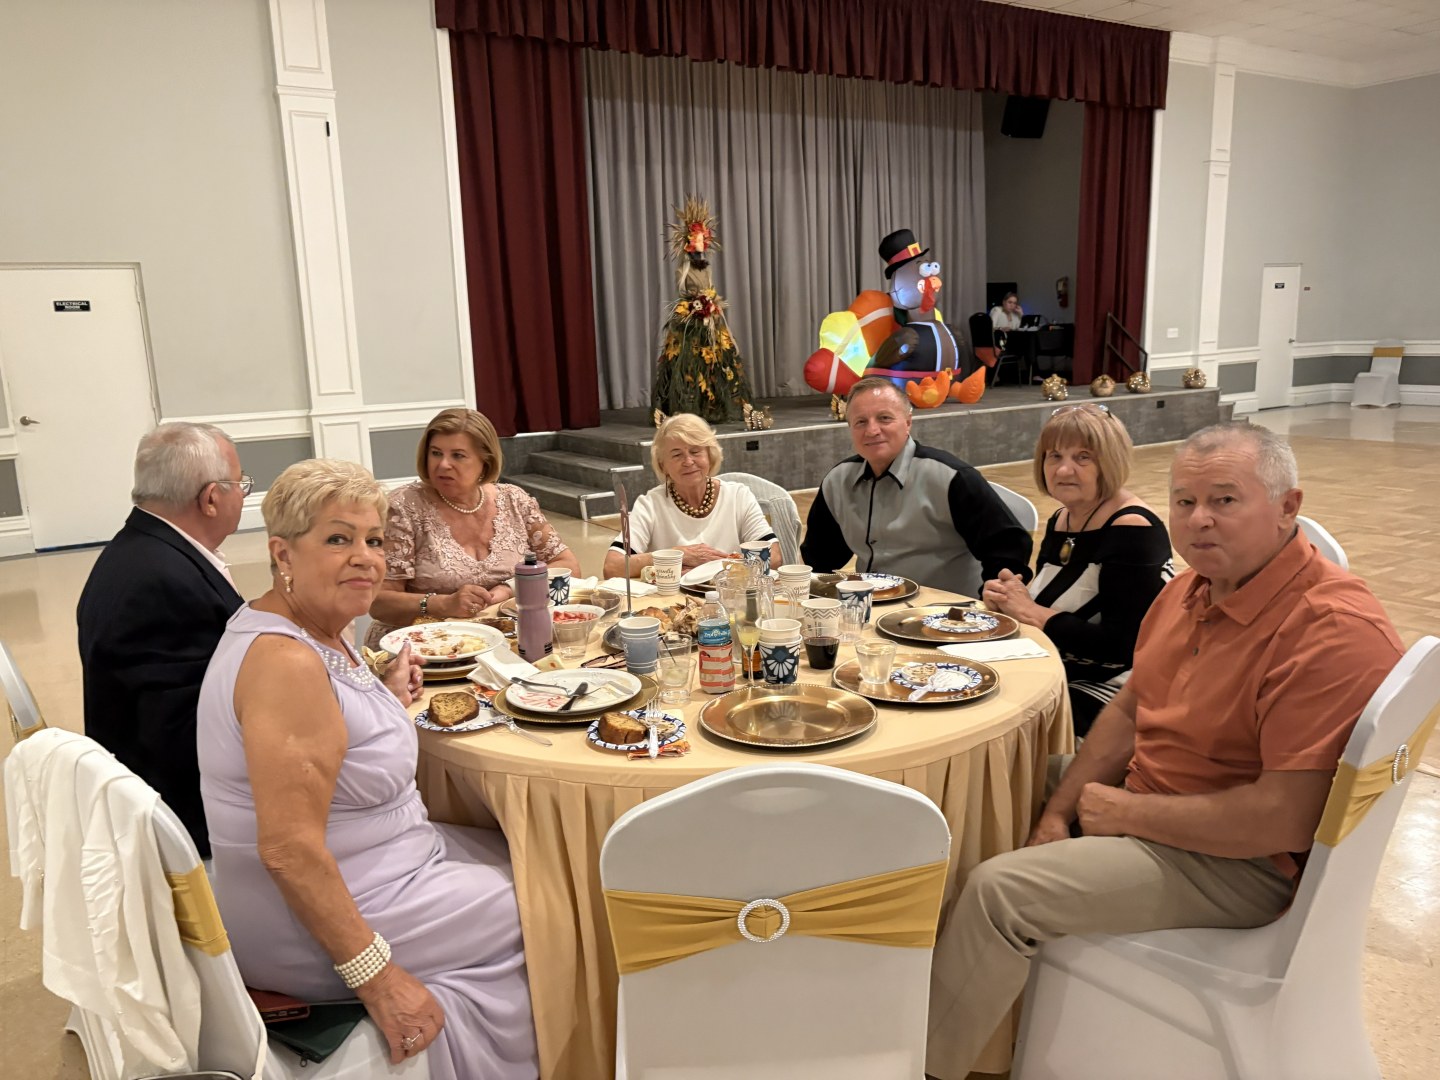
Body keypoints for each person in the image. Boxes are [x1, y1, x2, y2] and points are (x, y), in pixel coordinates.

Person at [925, 422, 1403, 1079]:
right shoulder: (1191, 588)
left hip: (1240, 862)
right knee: (987, 785)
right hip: (1157, 797)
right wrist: (1060, 812)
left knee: (999, 893)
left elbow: (1281, 820)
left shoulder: (1330, 630)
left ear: (1287, 506)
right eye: (1185, 501)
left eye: (1225, 500)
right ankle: (972, 1007)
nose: (1199, 520)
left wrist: (1122, 813)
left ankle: (933, 1063)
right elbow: (1130, 710)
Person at [197, 460, 538, 1078]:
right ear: (283, 553)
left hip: (381, 863)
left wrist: (382, 697)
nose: (366, 559)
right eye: (338, 539)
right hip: (314, 916)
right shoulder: (284, 663)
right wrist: (376, 977)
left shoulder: (314, 629)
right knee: (551, 901)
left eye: (374, 540)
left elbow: (334, 734)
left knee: (536, 854)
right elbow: (289, 851)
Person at [77, 422, 247, 858]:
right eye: (240, 484)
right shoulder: (162, 581)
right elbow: (183, 734)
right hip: (185, 821)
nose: (243, 496)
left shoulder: (142, 549)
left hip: (153, 786)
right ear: (211, 498)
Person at [981, 404, 1173, 738]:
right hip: (1057, 664)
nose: (1064, 469)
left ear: (1110, 462)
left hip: (1118, 689)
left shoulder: (1132, 528)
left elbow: (1121, 647)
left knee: (994, 721)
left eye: (1083, 457)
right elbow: (1052, 602)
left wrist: (1032, 612)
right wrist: (1009, 598)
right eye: (1054, 456)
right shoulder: (1062, 518)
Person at [368, 408, 580, 647]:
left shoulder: (514, 500)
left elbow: (567, 566)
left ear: (485, 461)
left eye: (458, 456)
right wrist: (442, 604)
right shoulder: (403, 508)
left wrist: (509, 589)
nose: (443, 464)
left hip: (502, 641)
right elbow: (379, 603)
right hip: (417, 646)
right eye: (436, 453)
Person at [801, 377, 1032, 596]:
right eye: (861, 422)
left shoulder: (951, 477)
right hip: (872, 606)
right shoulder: (838, 481)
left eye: (884, 418)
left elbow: (1008, 548)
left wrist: (991, 599)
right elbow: (820, 558)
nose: (872, 430)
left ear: (908, 422)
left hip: (948, 611)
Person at [602, 412, 779, 576]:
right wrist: (677, 555)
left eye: (695, 452)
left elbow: (774, 557)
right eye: (676, 455)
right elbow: (612, 567)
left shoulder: (738, 496)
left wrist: (720, 567)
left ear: (710, 456)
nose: (688, 461)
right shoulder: (650, 505)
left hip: (731, 593)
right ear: (663, 465)